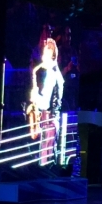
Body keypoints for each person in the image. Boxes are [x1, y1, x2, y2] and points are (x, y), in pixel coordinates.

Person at [30, 38, 65, 166]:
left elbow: (45, 104)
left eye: (44, 54)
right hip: (53, 121)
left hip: (48, 122)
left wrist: (35, 96)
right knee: (50, 160)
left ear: (51, 56)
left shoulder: (51, 75)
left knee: (45, 164)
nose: (42, 57)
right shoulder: (58, 74)